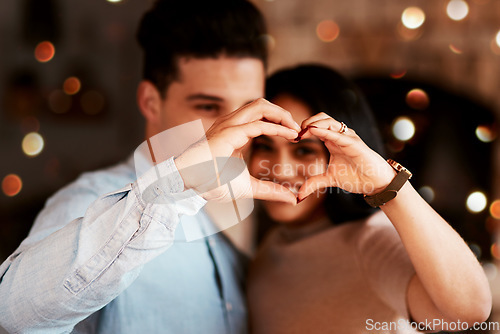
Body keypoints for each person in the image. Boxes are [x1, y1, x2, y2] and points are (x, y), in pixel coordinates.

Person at [0, 1, 301, 333]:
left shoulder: (222, 210)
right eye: (208, 106)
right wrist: (175, 184)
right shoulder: (85, 204)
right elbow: (9, 315)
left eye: (246, 109)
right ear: (149, 102)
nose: (232, 130)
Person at [246, 64, 492, 333]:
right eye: (265, 146)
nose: (280, 169)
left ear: (337, 153)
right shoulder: (272, 245)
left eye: (304, 150)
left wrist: (386, 183)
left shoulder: (372, 241)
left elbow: (468, 311)